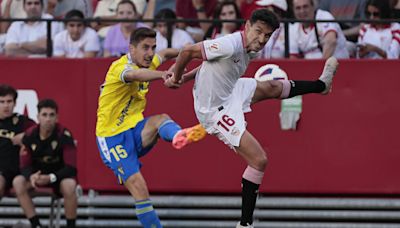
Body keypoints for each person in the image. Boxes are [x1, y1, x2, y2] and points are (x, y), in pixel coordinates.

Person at [166, 9, 339, 228]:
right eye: (258, 32)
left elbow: (209, 61)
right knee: (259, 160)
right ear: (246, 26)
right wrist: (178, 77)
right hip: (214, 111)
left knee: (272, 86)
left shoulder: (251, 47)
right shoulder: (231, 44)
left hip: (230, 91)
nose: (261, 39)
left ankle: (321, 86)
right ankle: (245, 224)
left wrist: (188, 77)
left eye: (267, 36)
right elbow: (188, 51)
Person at [95, 27, 206, 227]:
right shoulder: (119, 68)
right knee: (140, 188)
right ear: (131, 48)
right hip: (111, 138)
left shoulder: (151, 59)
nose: (150, 53)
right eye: (145, 48)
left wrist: (190, 52)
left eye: (152, 47)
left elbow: (165, 54)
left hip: (134, 130)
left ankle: (178, 136)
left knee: (160, 119)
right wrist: (163, 74)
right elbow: (136, 75)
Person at [13, 99, 78, 228]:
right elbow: (24, 165)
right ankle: (36, 225)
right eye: (44, 115)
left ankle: (71, 226)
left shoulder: (64, 135)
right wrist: (31, 176)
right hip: (37, 177)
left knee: (70, 185)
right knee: (18, 182)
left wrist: (51, 177)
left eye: (51, 115)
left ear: (57, 117)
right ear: (37, 117)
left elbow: (71, 168)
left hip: (58, 178)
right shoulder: (30, 135)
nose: (48, 119)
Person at [0, 84, 35, 201]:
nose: (6, 105)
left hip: (19, 172)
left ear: (15, 103)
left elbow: (42, 134)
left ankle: (34, 220)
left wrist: (26, 136)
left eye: (9, 101)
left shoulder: (23, 122)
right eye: (2, 102)